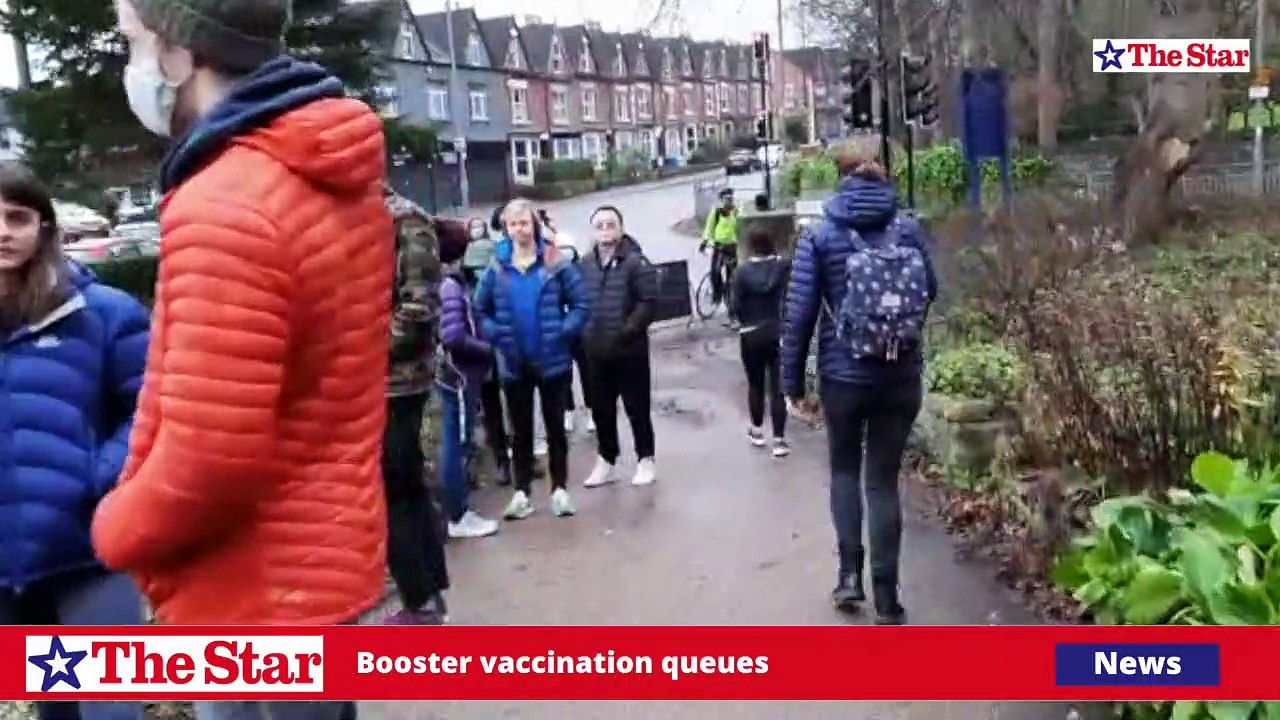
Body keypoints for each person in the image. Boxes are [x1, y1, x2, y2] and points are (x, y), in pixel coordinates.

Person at [92, 3, 393, 718]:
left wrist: (115, 529)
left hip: (252, 594)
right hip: (323, 561)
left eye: (132, 42)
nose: (129, 65)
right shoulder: (331, 177)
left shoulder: (227, 202)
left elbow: (210, 458)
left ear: (180, 51)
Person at [0, 163, 148, 720]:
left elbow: (151, 410)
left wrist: (94, 479)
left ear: (43, 229)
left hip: (88, 552)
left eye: (17, 217)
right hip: (8, 561)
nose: (3, 231)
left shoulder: (103, 314)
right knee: (54, 710)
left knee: (111, 711)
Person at [779, 148, 937, 626]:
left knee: (845, 472)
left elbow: (800, 313)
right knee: (883, 484)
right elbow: (932, 289)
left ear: (839, 181)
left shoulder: (820, 235)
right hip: (900, 376)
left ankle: (849, 577)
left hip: (843, 376)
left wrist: (791, 382)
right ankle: (888, 601)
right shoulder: (907, 228)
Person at [475, 198, 588, 520]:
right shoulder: (497, 267)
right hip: (514, 363)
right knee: (520, 432)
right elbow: (480, 308)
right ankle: (522, 493)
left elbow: (580, 304)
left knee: (556, 430)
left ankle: (560, 490)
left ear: (534, 225)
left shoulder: (555, 261)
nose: (519, 229)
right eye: (513, 224)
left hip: (553, 361)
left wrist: (562, 333)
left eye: (524, 222)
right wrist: (497, 335)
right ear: (506, 229)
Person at [378, 187, 450, 625]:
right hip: (377, 380)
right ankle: (428, 592)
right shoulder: (363, 216)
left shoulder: (405, 220)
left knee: (393, 487)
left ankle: (419, 600)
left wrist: (358, 351)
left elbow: (419, 306)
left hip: (397, 381)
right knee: (404, 484)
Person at [579, 205, 659, 488]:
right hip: (596, 351)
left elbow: (648, 303)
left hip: (629, 351)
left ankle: (645, 459)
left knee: (637, 408)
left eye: (610, 224)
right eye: (599, 225)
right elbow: (579, 302)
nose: (605, 230)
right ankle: (607, 460)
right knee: (601, 410)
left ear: (621, 228)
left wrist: (628, 331)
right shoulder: (585, 265)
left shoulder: (636, 262)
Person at [436, 219, 501, 539]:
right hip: (459, 375)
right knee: (457, 444)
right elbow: (453, 335)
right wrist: (486, 349)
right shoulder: (450, 286)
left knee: (456, 442)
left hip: (455, 373)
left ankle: (457, 510)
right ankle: (458, 514)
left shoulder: (446, 282)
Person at [730, 227, 790, 458]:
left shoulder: (742, 272)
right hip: (778, 330)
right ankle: (779, 440)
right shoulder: (783, 266)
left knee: (755, 384)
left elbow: (734, 306)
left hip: (751, 334)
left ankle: (757, 430)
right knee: (778, 388)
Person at [701, 187, 739, 314]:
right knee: (715, 272)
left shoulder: (737, 212)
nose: (729, 201)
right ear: (722, 200)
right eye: (726, 199)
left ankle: (730, 302)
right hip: (719, 247)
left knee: (732, 277)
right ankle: (717, 295)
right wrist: (705, 241)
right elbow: (709, 227)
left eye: (730, 198)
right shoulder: (716, 212)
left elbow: (741, 228)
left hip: (732, 248)